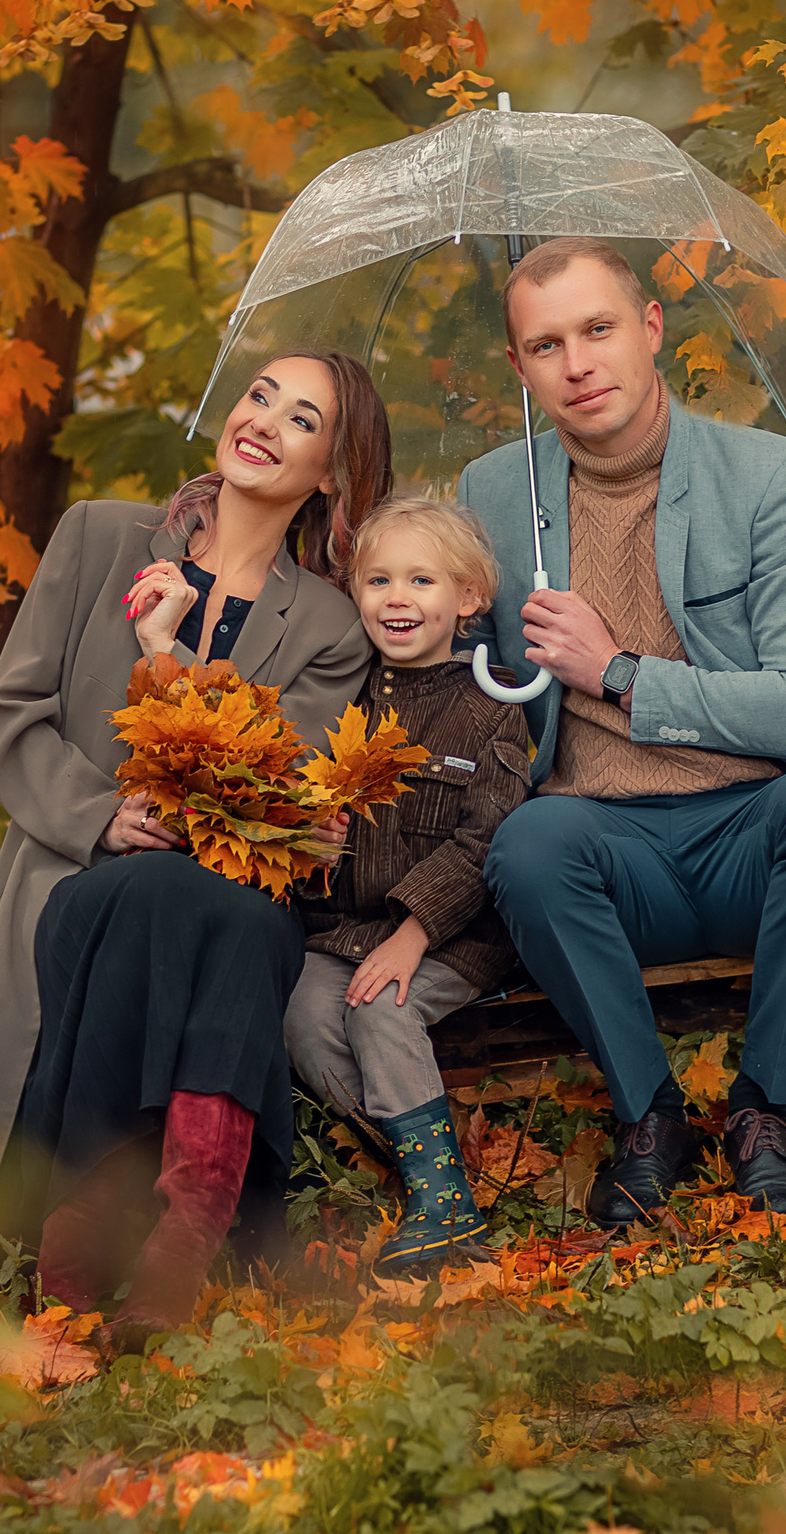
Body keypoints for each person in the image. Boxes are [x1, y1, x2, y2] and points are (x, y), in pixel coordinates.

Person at [0, 351, 392, 1333]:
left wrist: (167, 659)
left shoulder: (330, 628)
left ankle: (104, 1236)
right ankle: (169, 1228)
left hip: (226, 888)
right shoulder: (99, 538)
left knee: (201, 899)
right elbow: (13, 714)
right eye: (260, 394)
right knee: (146, 894)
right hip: (79, 870)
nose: (262, 419)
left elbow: (268, 793)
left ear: (331, 474)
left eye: (301, 419)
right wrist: (97, 816)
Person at [458, 236, 786, 1226]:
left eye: (598, 329)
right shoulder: (494, 496)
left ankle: (760, 1112)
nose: (577, 365)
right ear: (521, 369)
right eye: (544, 345)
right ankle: (650, 1118)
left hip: (757, 841)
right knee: (528, 843)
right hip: (605, 855)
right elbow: (447, 663)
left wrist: (614, 671)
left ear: (651, 329)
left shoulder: (779, 480)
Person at [281, 499, 531, 1270]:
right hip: (340, 930)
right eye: (378, 579)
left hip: (452, 936)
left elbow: (485, 837)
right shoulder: (338, 697)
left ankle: (443, 1202)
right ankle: (419, 1165)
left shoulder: (494, 704)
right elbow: (301, 807)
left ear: (467, 597)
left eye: (421, 579)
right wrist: (310, 841)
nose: (397, 597)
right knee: (305, 1015)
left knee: (381, 1010)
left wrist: (412, 937)